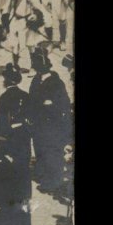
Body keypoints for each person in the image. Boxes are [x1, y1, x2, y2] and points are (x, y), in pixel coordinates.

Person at [28, 43, 72, 192]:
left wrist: (51, 105)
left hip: (51, 124)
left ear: (45, 68)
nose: (37, 70)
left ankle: (53, 181)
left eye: (38, 67)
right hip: (37, 123)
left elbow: (64, 104)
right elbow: (31, 99)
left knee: (51, 152)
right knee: (39, 148)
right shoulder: (35, 80)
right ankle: (41, 174)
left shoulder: (56, 83)